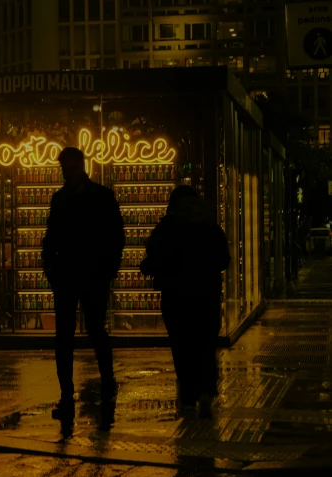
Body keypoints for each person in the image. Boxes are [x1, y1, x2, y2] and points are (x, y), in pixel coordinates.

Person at [42, 147, 125, 418]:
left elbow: (53, 236)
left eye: (70, 168)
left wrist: (51, 267)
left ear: (79, 166)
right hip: (83, 274)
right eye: (66, 169)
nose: (68, 173)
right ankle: (95, 386)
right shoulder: (99, 196)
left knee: (77, 334)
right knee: (84, 332)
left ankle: (73, 392)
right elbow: (115, 235)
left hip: (80, 273)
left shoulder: (67, 198)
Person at [140, 185, 230, 418]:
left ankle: (188, 395)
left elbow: (152, 260)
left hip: (175, 296)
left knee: (182, 347)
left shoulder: (166, 229)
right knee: (205, 344)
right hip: (206, 295)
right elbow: (223, 259)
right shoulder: (210, 228)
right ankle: (206, 390)